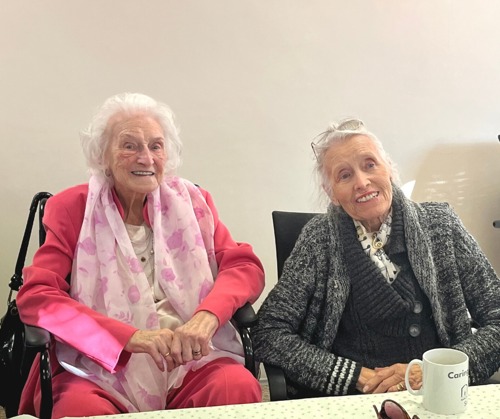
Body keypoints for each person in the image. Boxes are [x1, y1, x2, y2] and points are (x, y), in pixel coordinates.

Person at [17, 92, 265, 418]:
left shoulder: (192, 204)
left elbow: (244, 265)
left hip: (186, 360)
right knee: (81, 409)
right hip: (100, 365)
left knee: (235, 387)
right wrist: (130, 337)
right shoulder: (72, 208)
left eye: (156, 146)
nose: (146, 158)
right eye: (130, 145)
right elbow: (38, 297)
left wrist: (206, 318)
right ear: (102, 156)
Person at [252, 118, 500, 399]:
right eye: (344, 175)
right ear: (330, 193)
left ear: (390, 169)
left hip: (438, 392)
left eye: (370, 165)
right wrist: (351, 375)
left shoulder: (441, 225)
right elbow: (268, 332)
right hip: (351, 397)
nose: (362, 182)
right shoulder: (318, 240)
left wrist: (434, 372)